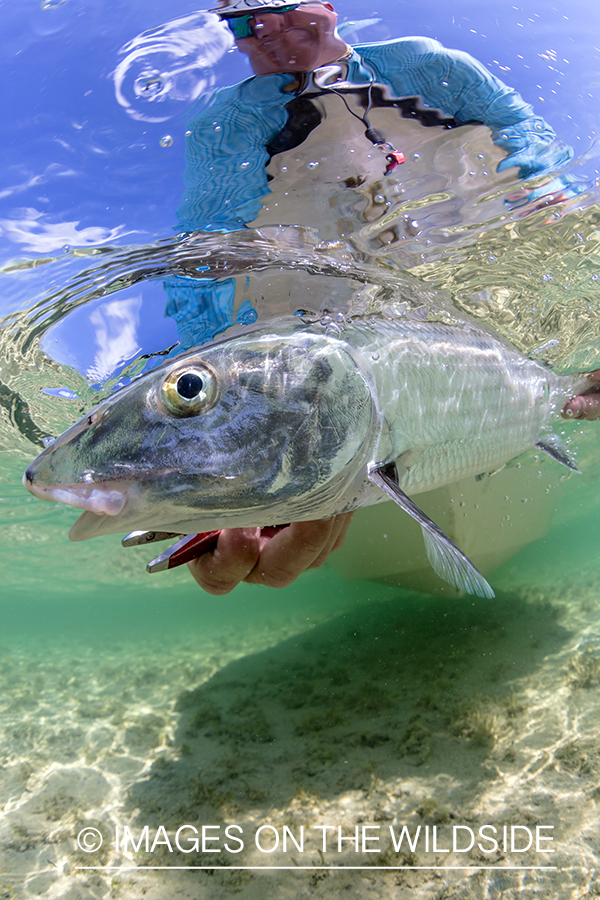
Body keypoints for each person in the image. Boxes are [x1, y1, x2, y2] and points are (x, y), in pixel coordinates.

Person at [173, 0, 597, 594]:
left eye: (290, 13)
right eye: (247, 22)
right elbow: (202, 250)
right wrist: (218, 402)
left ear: (328, 7)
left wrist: (546, 186)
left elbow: (518, 126)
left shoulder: (424, 65)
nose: (270, 33)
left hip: (465, 275)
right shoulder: (227, 124)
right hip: (325, 304)